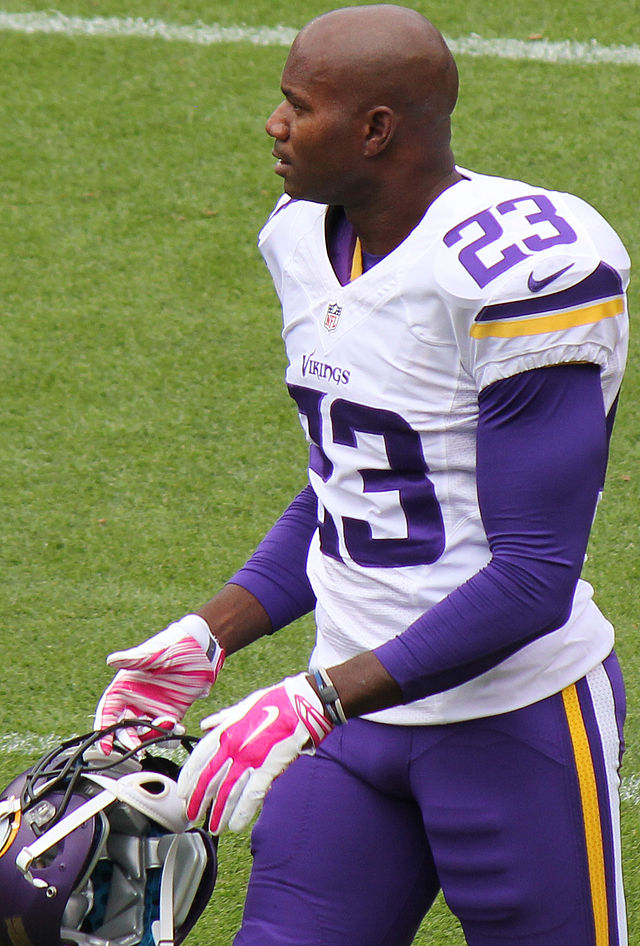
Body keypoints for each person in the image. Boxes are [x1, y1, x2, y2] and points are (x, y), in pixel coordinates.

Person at [94, 5, 631, 944]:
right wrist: (210, 634)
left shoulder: (519, 272)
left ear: (376, 130)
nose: (274, 125)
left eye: (298, 106)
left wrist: (319, 697)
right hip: (353, 733)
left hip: (511, 722)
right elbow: (357, 486)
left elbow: (535, 579)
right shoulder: (301, 239)